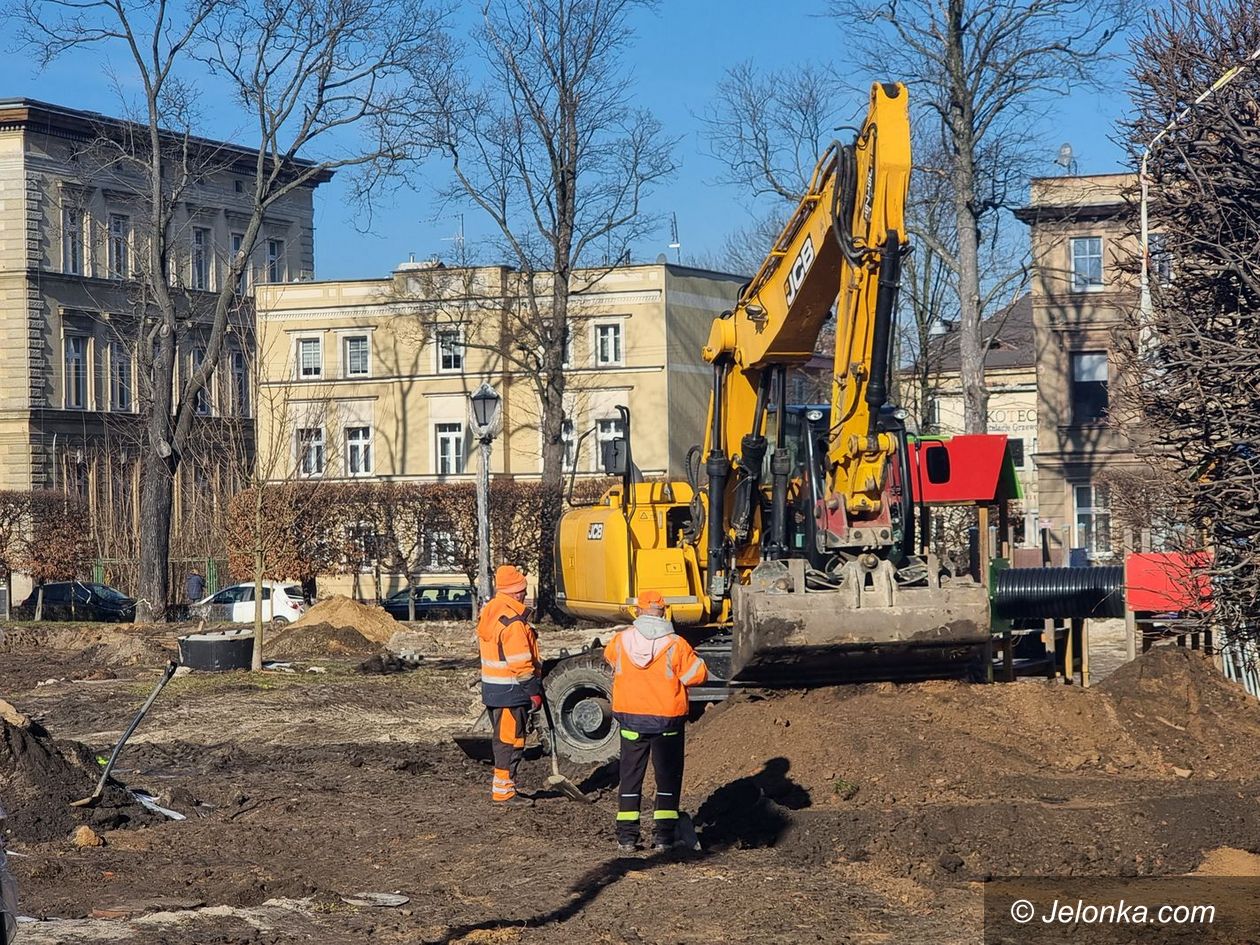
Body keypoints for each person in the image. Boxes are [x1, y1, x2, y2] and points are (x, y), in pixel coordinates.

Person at [604, 589, 708, 854]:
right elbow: (697, 676)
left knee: (629, 777)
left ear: (638, 611)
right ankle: (664, 838)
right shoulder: (676, 644)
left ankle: (627, 838)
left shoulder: (620, 640)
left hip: (631, 720)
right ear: (663, 612)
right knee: (667, 780)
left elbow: (610, 659)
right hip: (667, 722)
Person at [476, 564, 542, 808]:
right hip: (512, 691)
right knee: (509, 741)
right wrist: (533, 692)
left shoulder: (491, 611)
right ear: (516, 592)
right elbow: (520, 663)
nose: (525, 595)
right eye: (523, 591)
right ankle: (503, 792)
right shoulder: (513, 622)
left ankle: (507, 787)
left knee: (506, 739)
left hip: (495, 688)